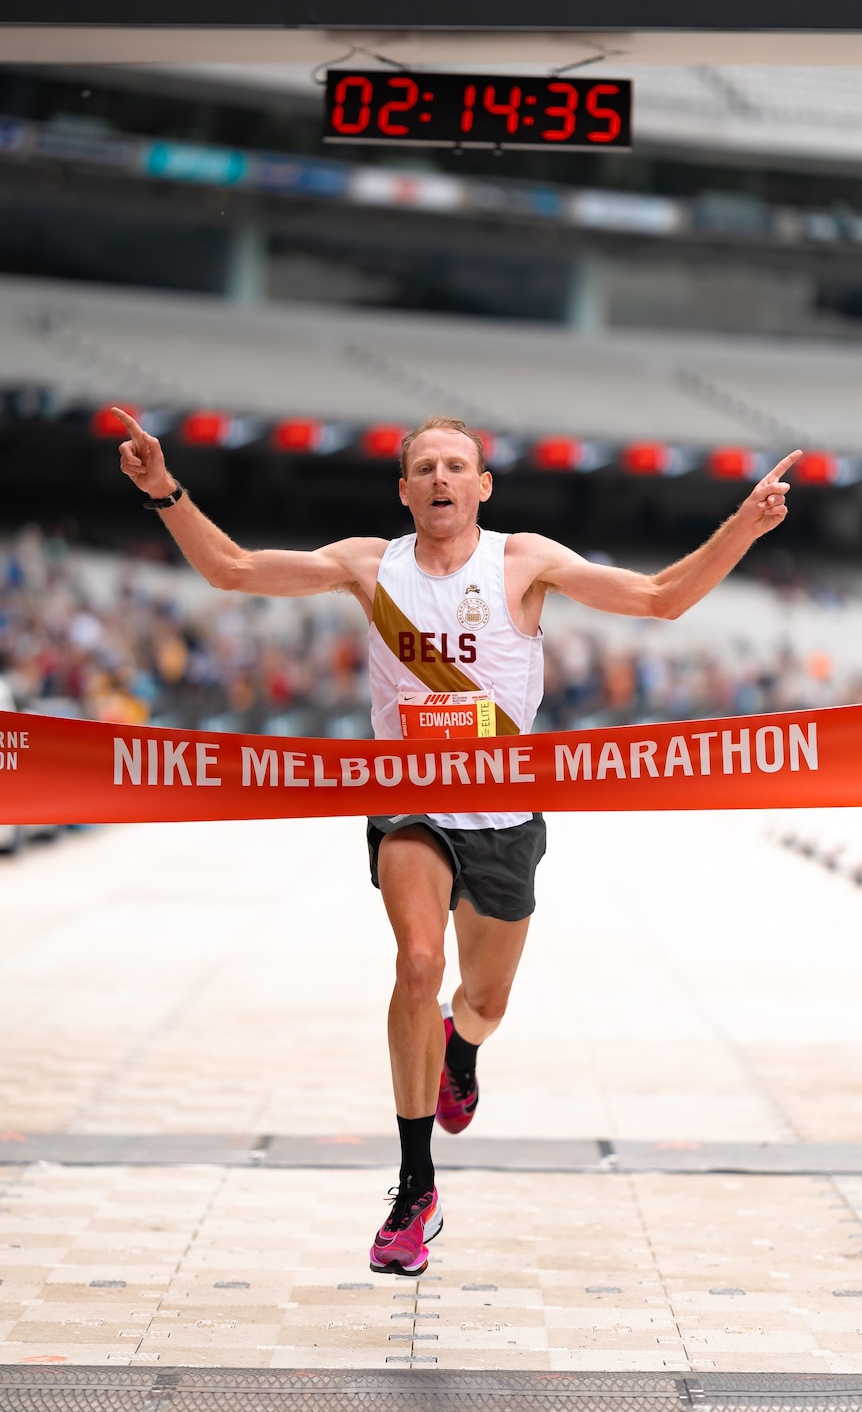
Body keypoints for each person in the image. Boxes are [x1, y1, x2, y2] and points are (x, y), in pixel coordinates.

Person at [113, 407, 800, 1276]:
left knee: (483, 998)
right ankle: (413, 1185)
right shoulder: (371, 565)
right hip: (408, 804)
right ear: (403, 490)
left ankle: (462, 1052)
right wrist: (164, 491)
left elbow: (662, 598)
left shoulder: (524, 561)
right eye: (425, 466)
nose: (441, 478)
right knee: (415, 962)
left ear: (482, 486)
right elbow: (232, 569)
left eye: (456, 465)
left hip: (506, 817)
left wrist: (745, 521)